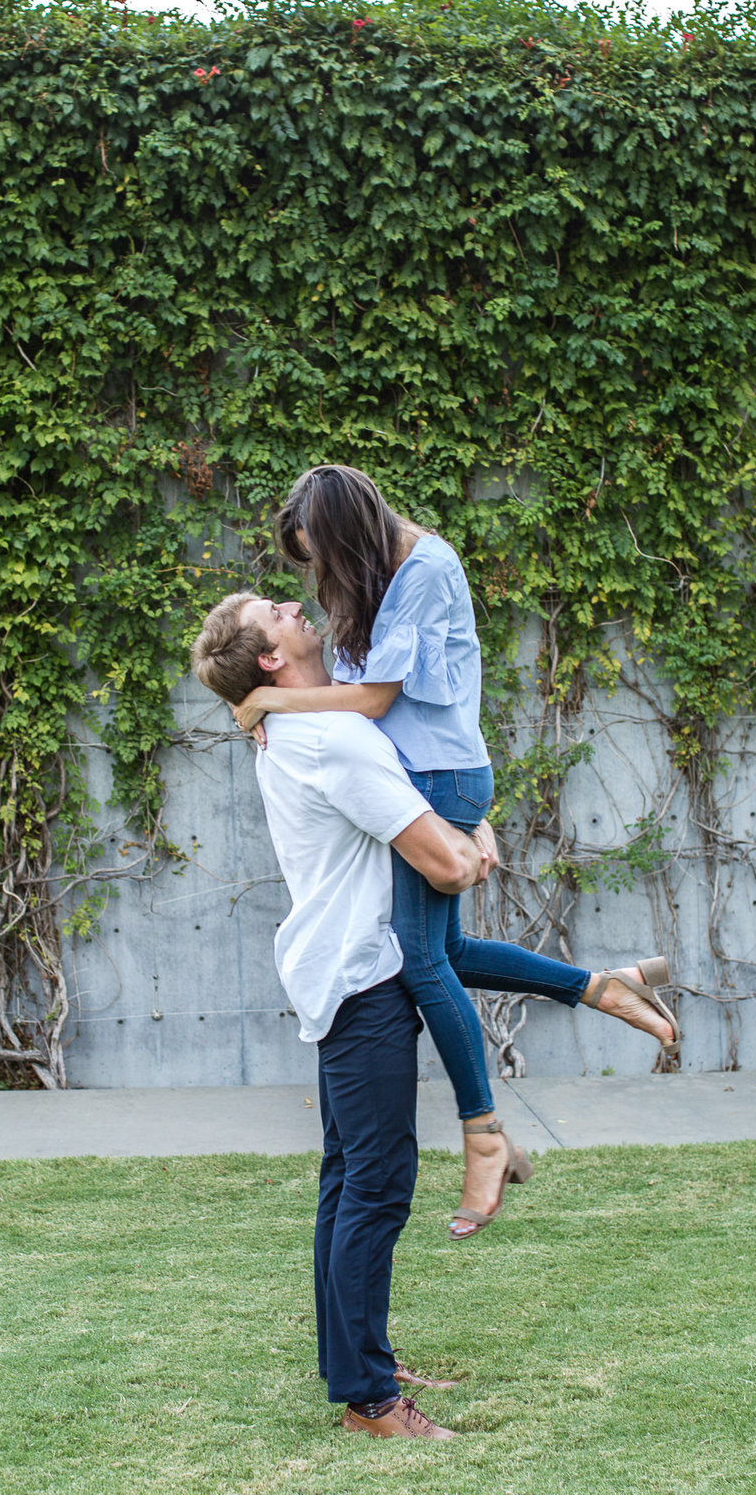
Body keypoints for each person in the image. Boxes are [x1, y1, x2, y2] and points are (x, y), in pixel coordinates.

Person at [233, 465, 681, 1238]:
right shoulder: (378, 574)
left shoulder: (423, 569)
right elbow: (364, 694)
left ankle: (483, 1135)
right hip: (428, 777)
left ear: (348, 530)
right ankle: (600, 987)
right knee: (445, 947)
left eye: (321, 556)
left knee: (419, 959)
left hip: (435, 776)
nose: (318, 578)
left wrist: (271, 696)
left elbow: (375, 702)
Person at [191, 589, 507, 1438]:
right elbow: (441, 866)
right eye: (277, 610)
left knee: (348, 1179)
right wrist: (473, 847)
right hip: (364, 975)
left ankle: (355, 1361)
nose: (296, 604)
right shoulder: (330, 737)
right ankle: (369, 1400)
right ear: (268, 658)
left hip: (340, 966)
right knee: (375, 1185)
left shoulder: (294, 725)